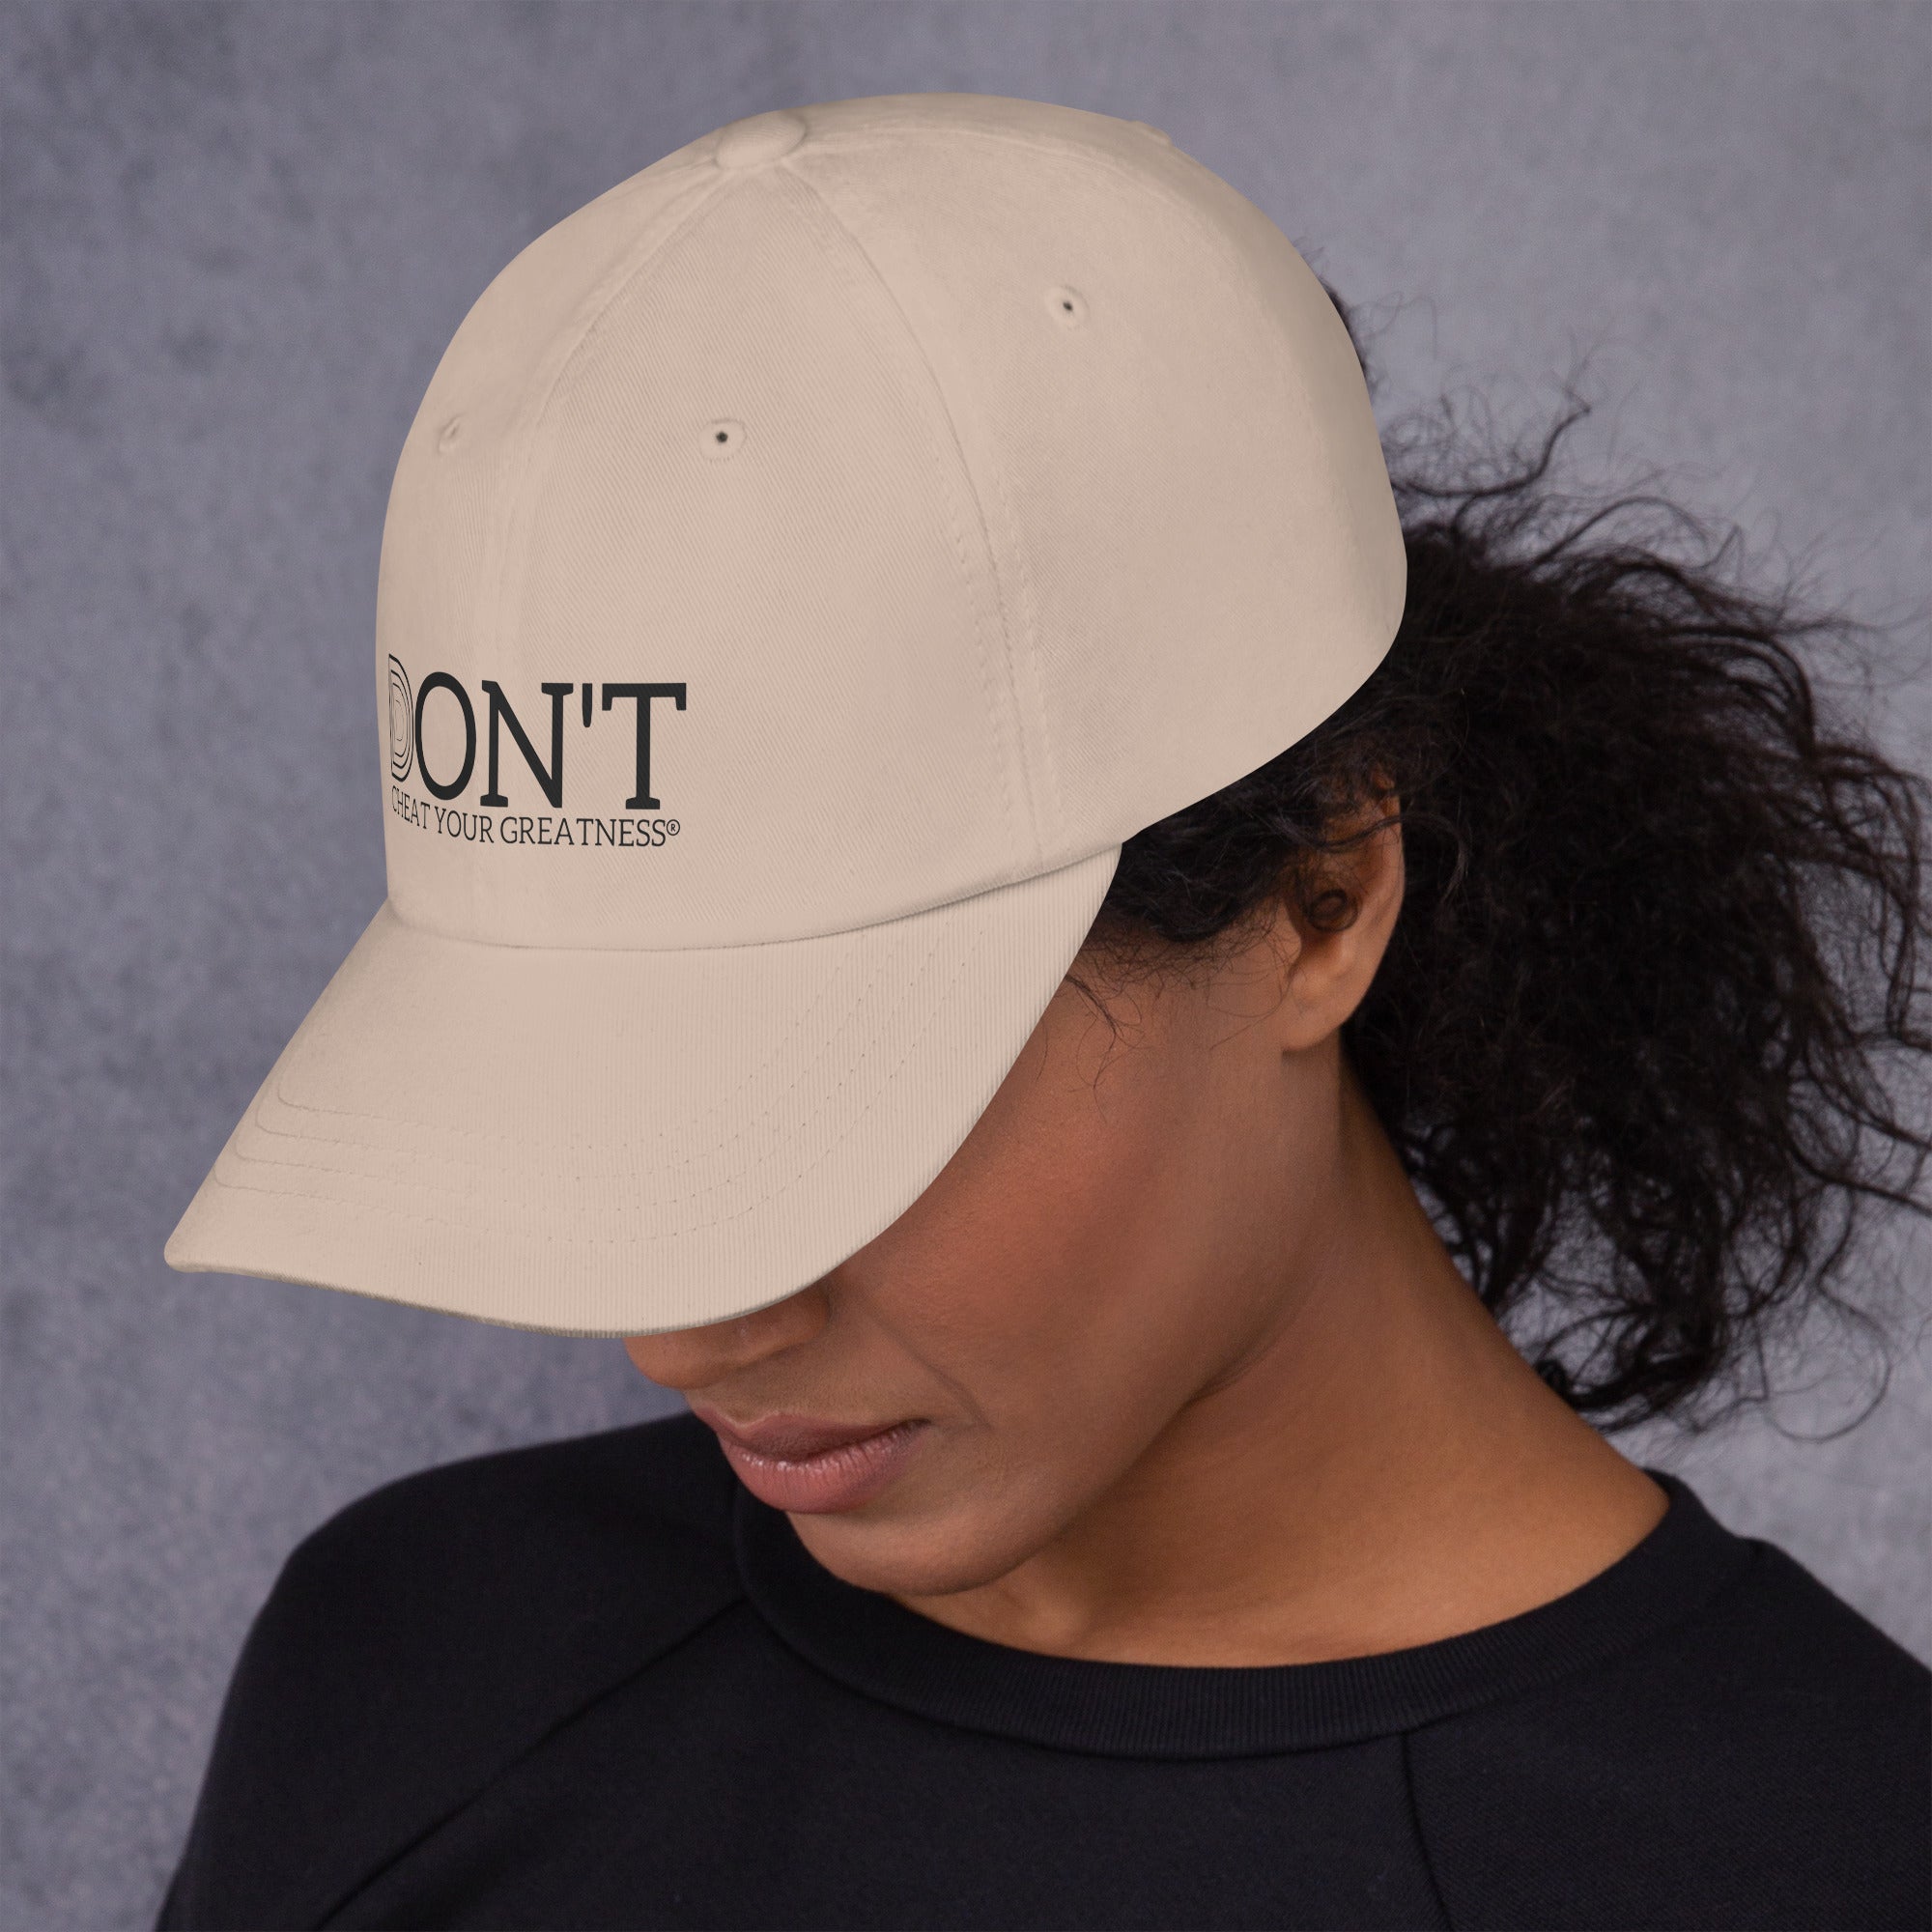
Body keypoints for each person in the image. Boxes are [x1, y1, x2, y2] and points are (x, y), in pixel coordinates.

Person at [155, 94, 1928, 1930]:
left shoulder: (1830, 1866)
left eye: (836, 1092)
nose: (683, 1329)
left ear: (1320, 895)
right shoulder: (413, 1672)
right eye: (587, 1094)